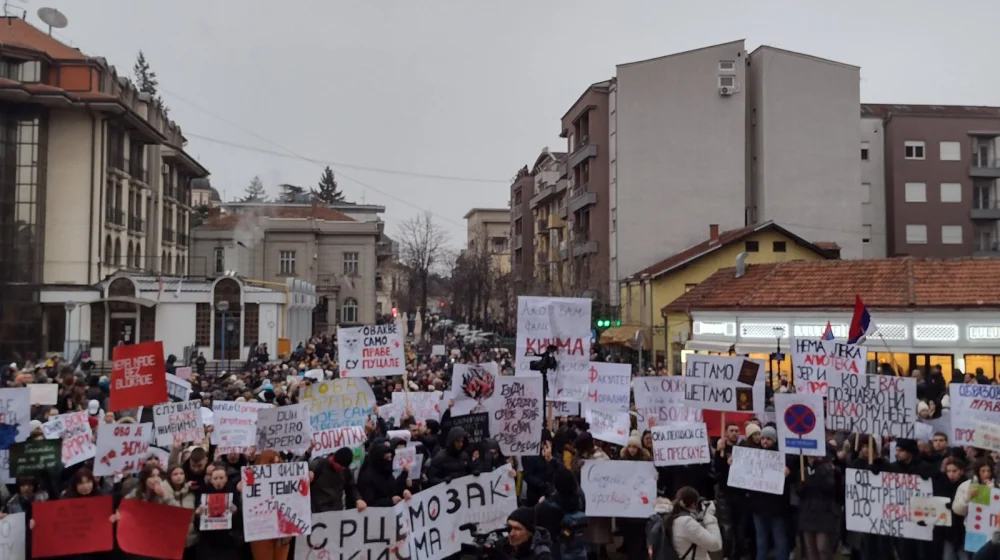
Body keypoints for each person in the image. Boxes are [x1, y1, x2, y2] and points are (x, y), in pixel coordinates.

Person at [646, 486, 722, 560]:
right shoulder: (686, 522)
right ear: (693, 505)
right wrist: (709, 517)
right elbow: (715, 545)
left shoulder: (669, 517)